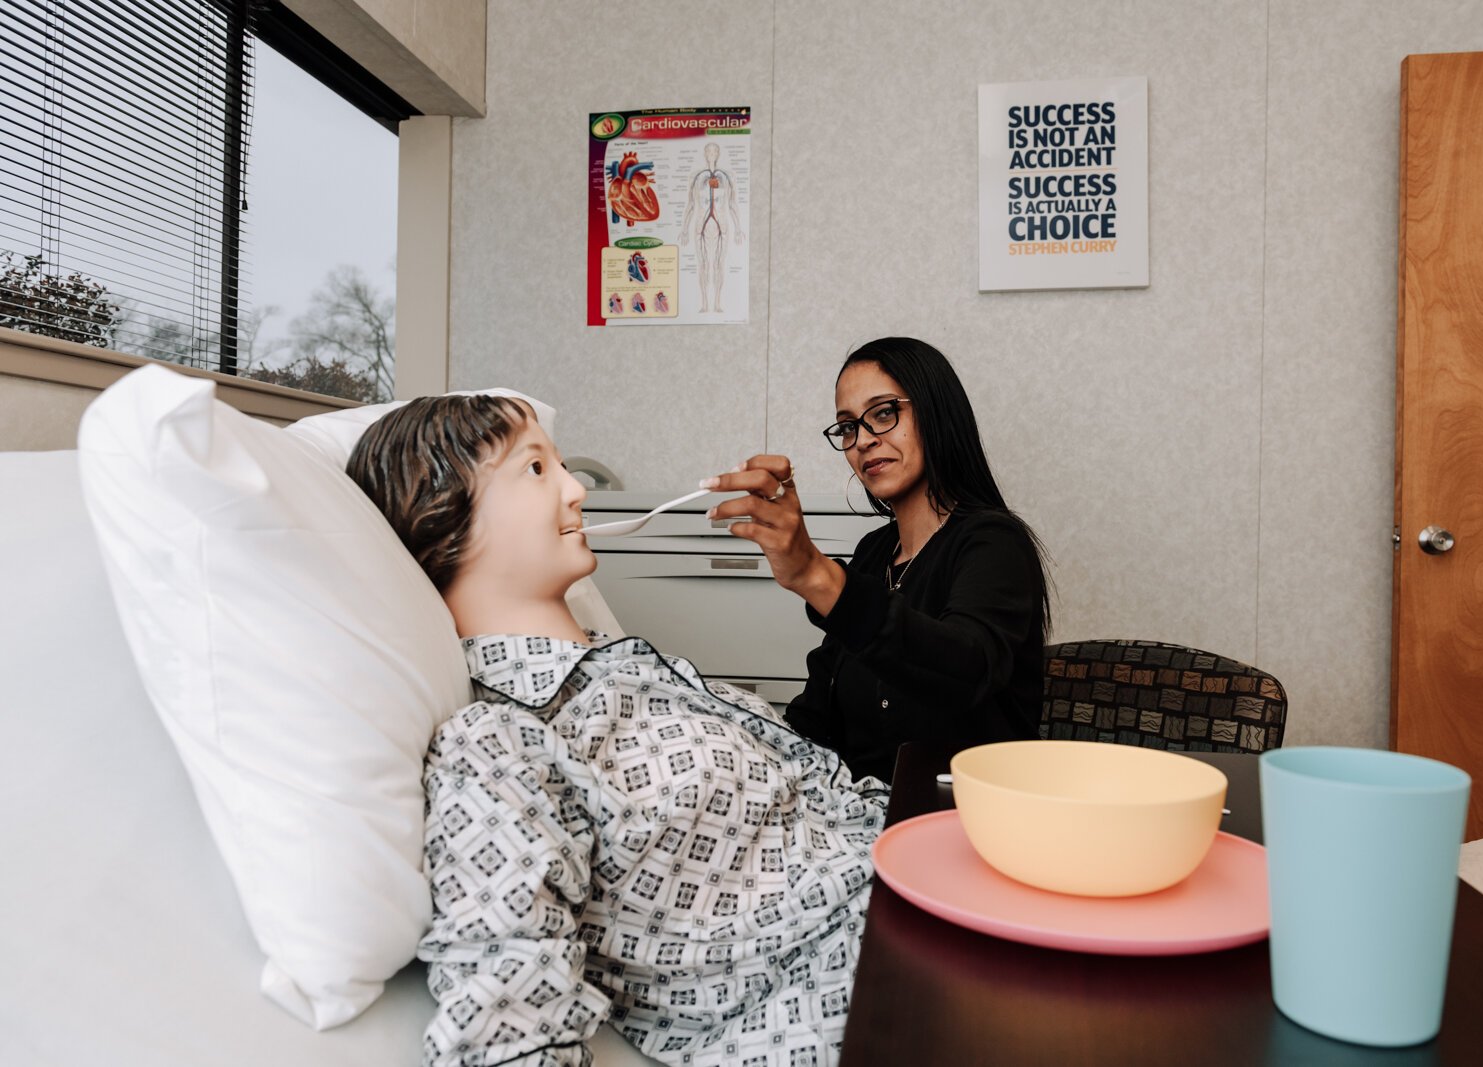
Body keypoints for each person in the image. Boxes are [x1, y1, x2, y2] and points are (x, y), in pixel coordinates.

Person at [345, 395, 886, 1067]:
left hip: (911, 878)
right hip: (868, 981)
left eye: (563, 464)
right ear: (442, 514)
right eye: (537, 468)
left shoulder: (631, 669)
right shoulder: (498, 743)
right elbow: (508, 1023)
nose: (575, 490)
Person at [702, 337, 1049, 784]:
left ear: (936, 412)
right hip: (853, 820)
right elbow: (818, 715)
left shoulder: (994, 543)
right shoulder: (872, 553)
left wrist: (814, 573)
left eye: (884, 414)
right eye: (848, 427)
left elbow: (965, 672)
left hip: (959, 821)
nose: (863, 440)